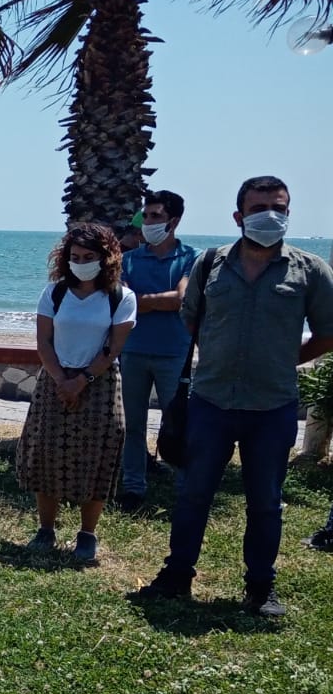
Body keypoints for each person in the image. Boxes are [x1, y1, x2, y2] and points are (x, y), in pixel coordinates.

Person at [139, 176, 333, 616]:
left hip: (273, 406)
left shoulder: (310, 270)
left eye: (278, 208)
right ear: (238, 215)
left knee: (265, 503)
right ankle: (176, 576)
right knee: (193, 495)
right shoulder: (210, 264)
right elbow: (191, 319)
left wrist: (285, 360)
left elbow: (327, 332)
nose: (270, 215)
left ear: (289, 213)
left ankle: (260, 588)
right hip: (211, 403)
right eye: (259, 207)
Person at [14, 223, 136, 564]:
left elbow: (113, 348)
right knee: (47, 452)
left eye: (88, 257)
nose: (81, 263)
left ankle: (87, 533)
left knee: (98, 454)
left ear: (106, 258)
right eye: (75, 257)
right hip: (54, 382)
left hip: (99, 384)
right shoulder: (54, 293)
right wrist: (60, 380)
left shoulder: (121, 297)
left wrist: (81, 380)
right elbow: (43, 341)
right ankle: (46, 528)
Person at [116, 189, 197, 511]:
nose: (148, 222)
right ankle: (133, 487)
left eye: (155, 216)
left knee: (179, 424)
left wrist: (142, 301)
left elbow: (182, 299)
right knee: (132, 425)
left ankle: (186, 487)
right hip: (132, 350)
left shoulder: (191, 258)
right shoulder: (127, 260)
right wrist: (157, 301)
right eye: (146, 216)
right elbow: (122, 301)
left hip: (174, 354)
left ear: (173, 221)